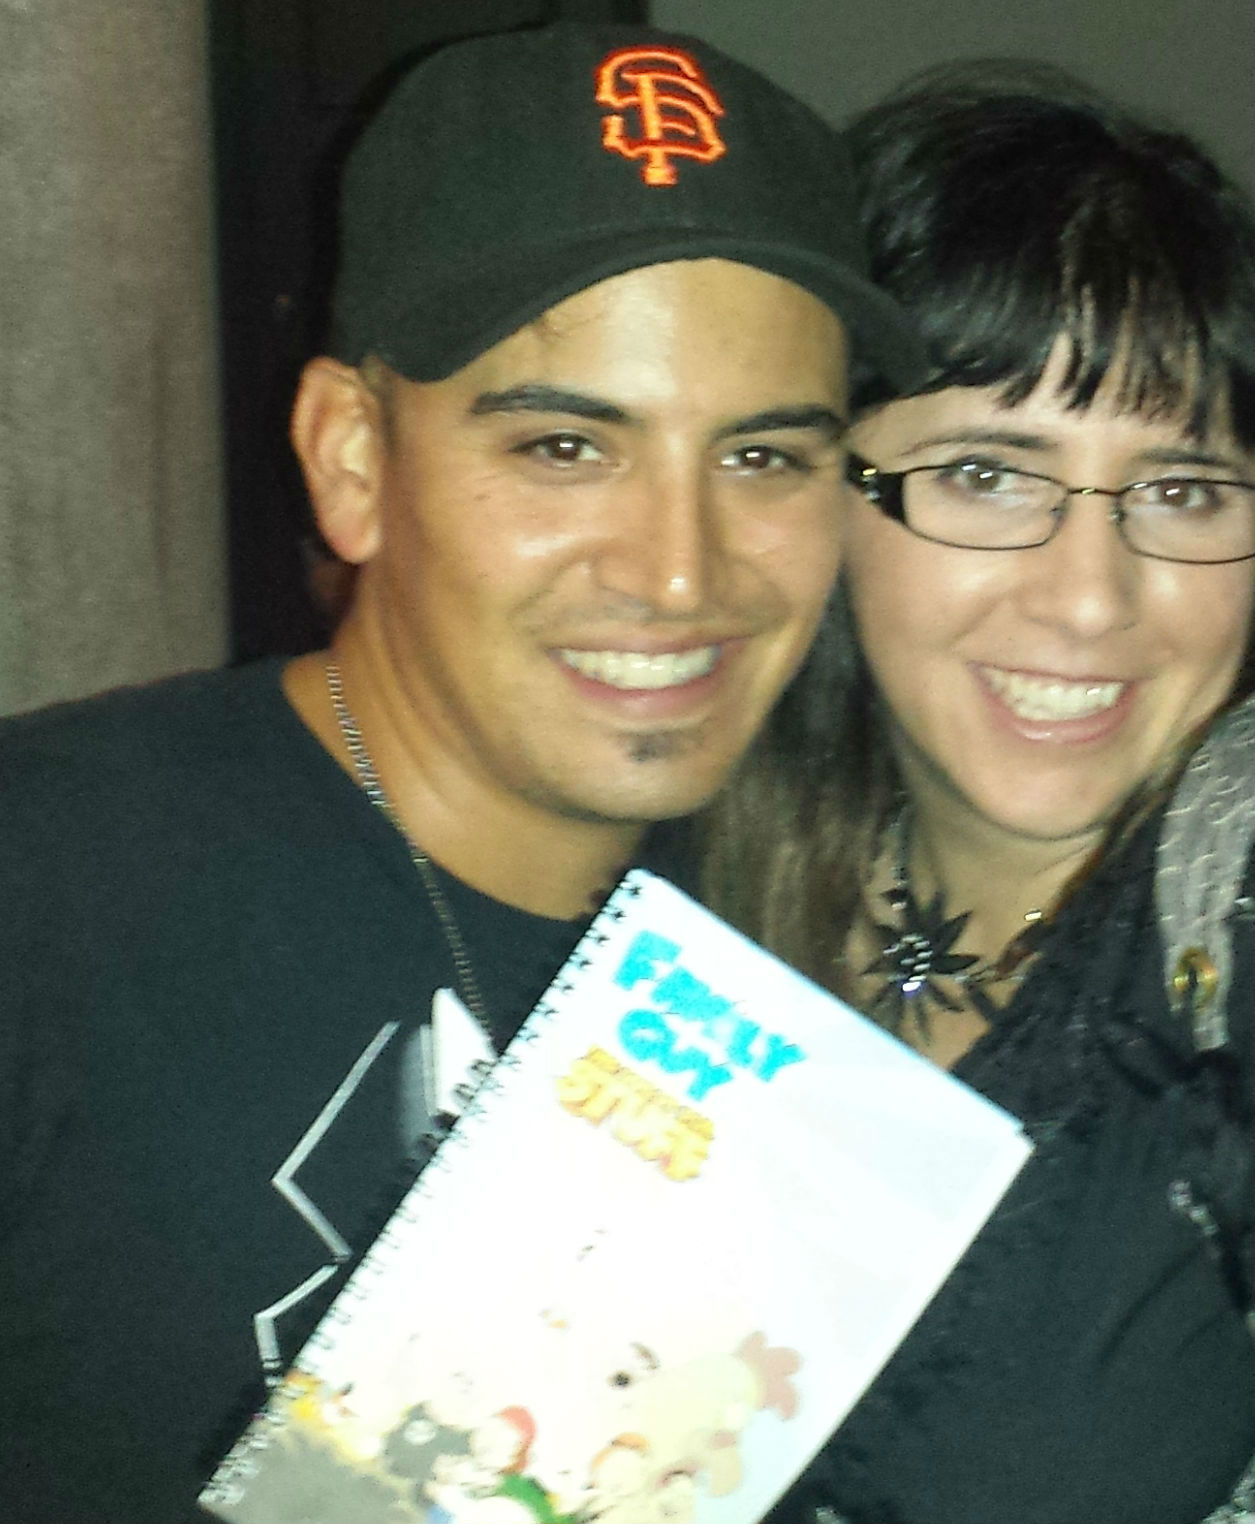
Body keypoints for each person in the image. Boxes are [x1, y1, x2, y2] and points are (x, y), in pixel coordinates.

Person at [0, 23, 920, 1522]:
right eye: (566, 448)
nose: (680, 573)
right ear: (352, 459)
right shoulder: (46, 893)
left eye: (762, 458)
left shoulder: (805, 968)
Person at [703, 62, 1255, 1523]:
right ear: (811, 490)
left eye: (1183, 491)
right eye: (988, 474)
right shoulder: (696, 859)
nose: (1090, 599)